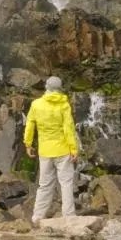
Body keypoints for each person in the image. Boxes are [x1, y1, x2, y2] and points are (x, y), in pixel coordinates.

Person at [22, 76, 79, 224]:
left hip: (45, 151)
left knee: (44, 185)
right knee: (66, 184)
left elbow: (30, 125)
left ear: (46, 87)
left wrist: (28, 144)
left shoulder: (36, 104)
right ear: (59, 89)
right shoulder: (64, 105)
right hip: (63, 150)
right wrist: (73, 149)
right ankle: (69, 216)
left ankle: (37, 217)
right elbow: (68, 129)